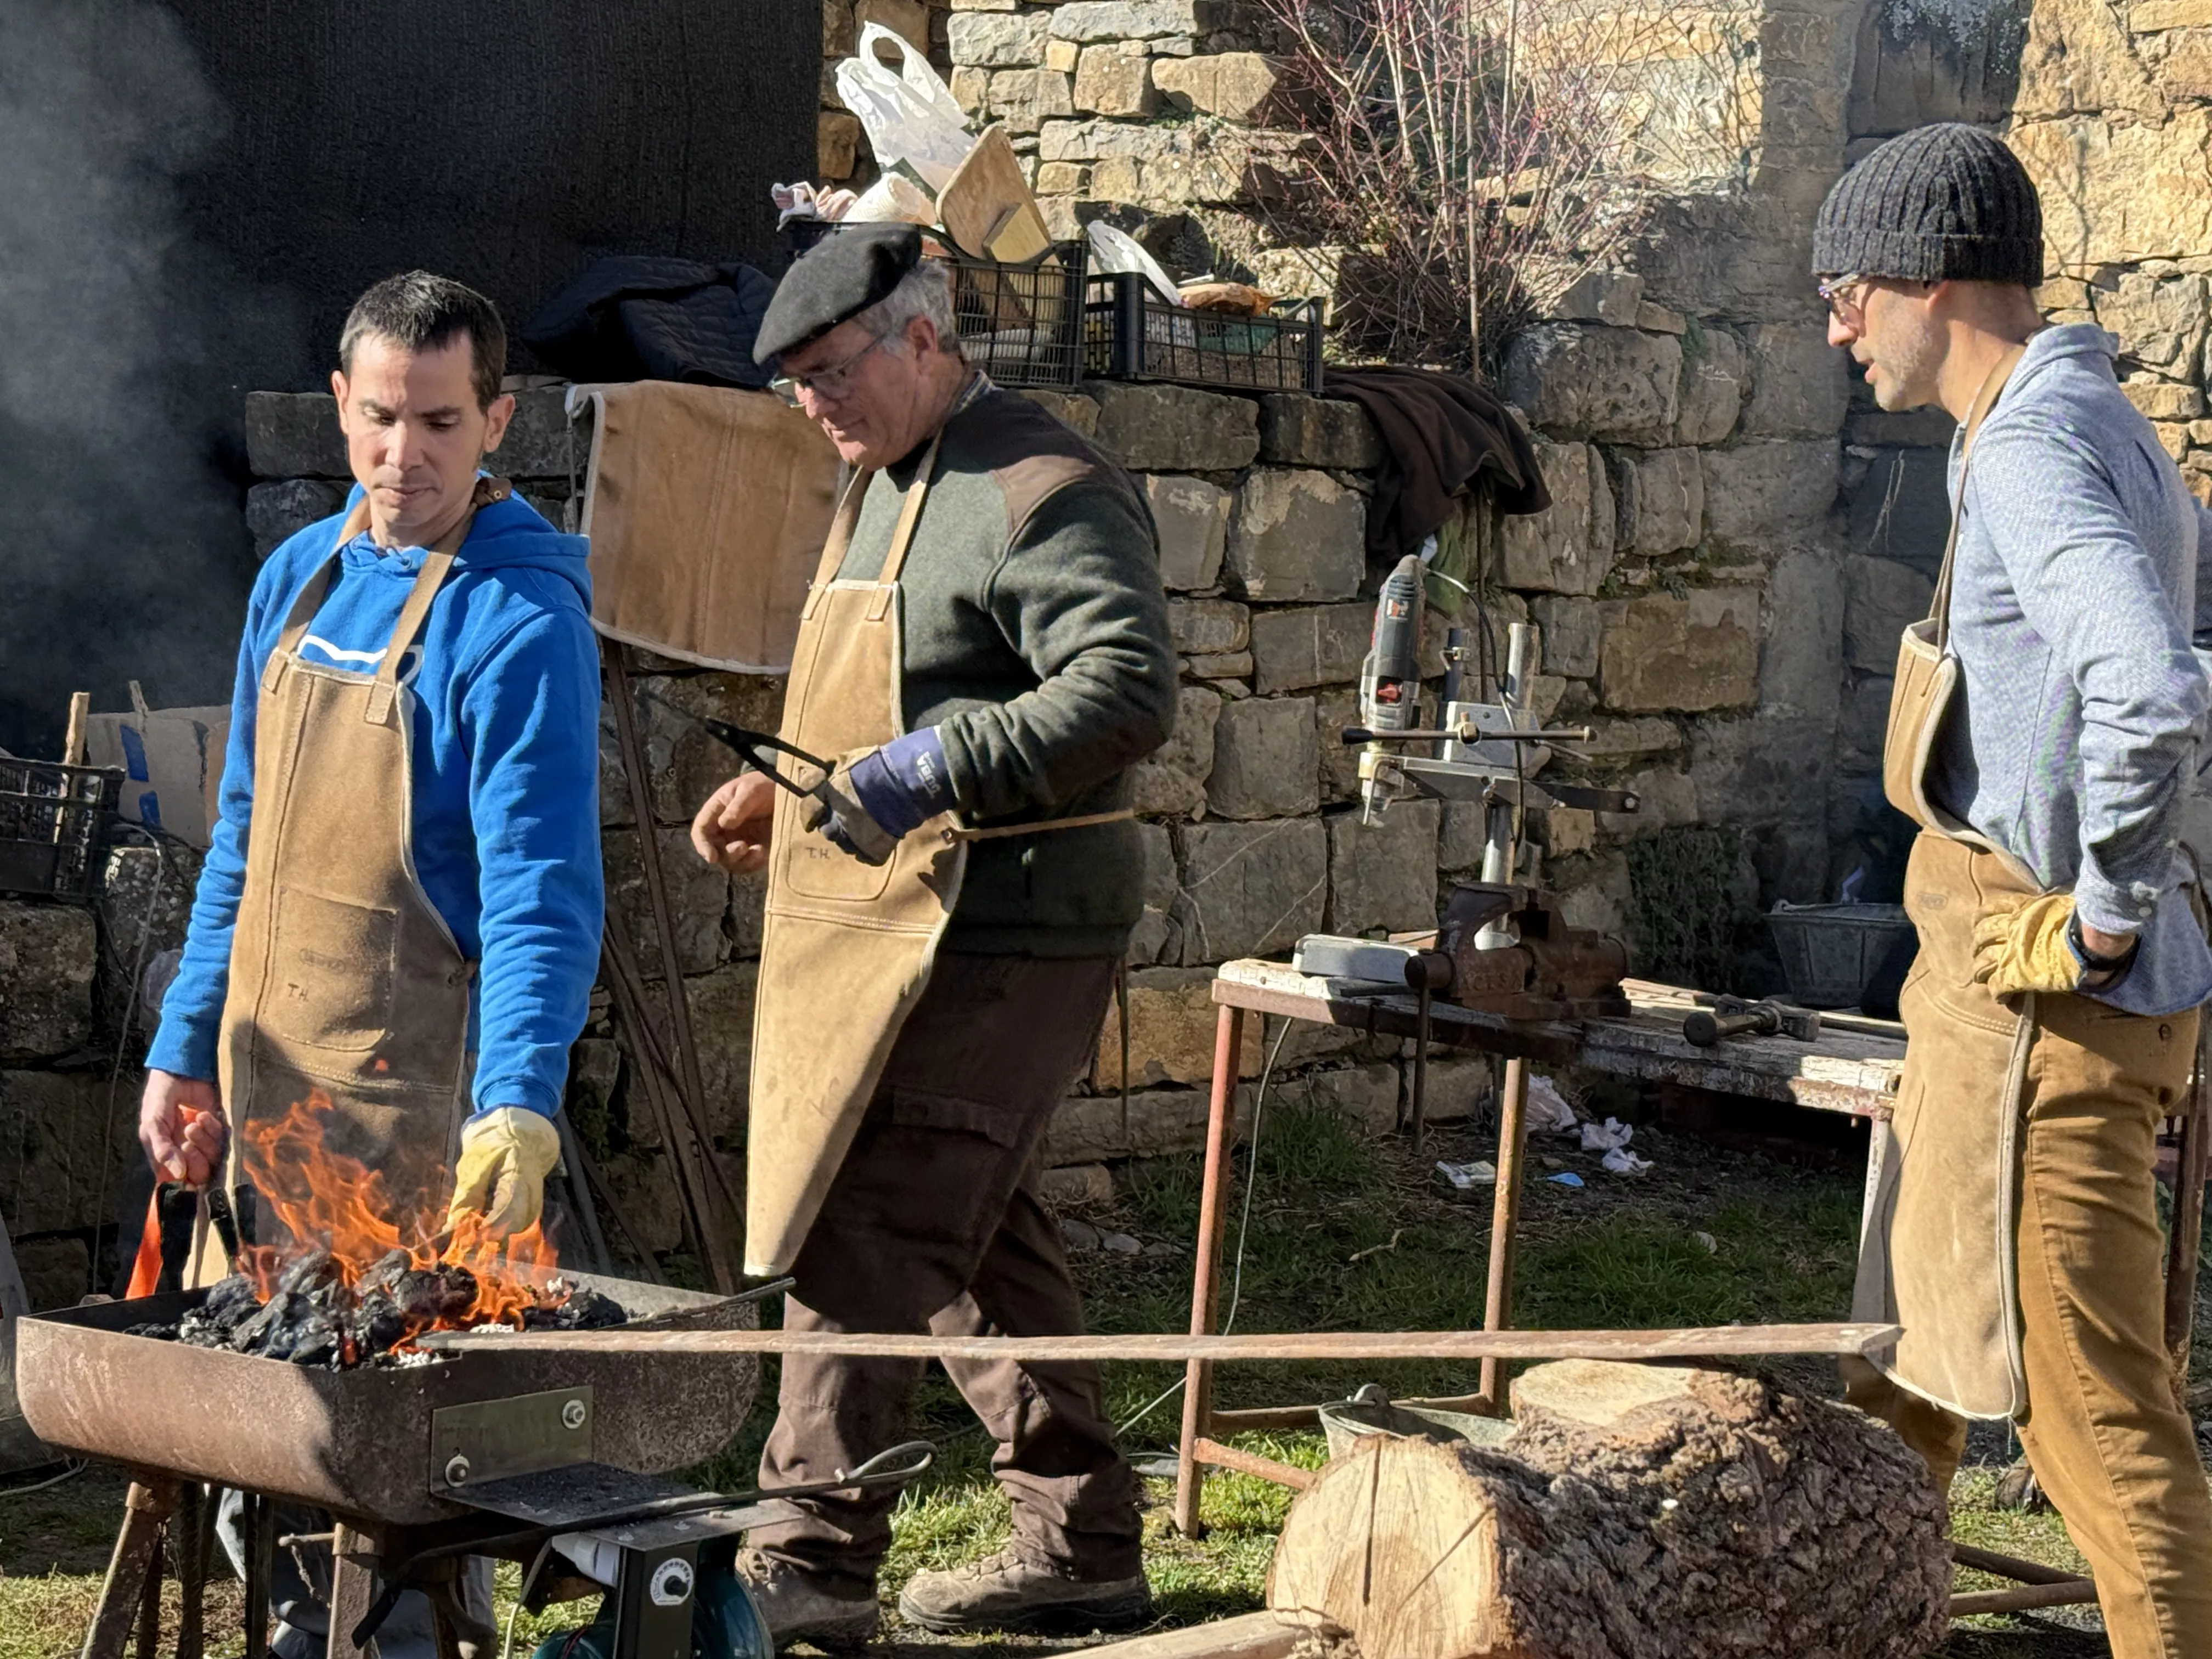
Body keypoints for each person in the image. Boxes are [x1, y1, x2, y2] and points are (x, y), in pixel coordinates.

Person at [690, 223, 1177, 1643]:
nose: (816, 406)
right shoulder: (888, 479)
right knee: (975, 1230)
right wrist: (791, 787)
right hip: (895, 921)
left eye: (833, 371)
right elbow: (899, 692)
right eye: (793, 386)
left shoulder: (1041, 485)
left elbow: (1124, 691)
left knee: (877, 1215)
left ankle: (811, 1563)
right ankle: (1083, 1547)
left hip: (1015, 926)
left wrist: (917, 774)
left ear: (924, 335)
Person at [138, 270, 603, 1656]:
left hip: (410, 1124)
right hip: (268, 1096)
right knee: (263, 1448)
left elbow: (541, 897)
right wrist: (183, 1041)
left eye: (443, 424)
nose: (408, 458)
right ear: (340, 408)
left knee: (402, 1486)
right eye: (384, 419)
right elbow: (242, 839)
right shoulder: (302, 575)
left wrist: (518, 1099)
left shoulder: (520, 631)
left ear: (497, 423)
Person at [1815, 123, 2212, 1659]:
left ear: (1935, 284)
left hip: (2048, 995)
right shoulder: (2090, 417)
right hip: (1995, 992)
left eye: (1851, 291)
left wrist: (2110, 902)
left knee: (2094, 1429)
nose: (1839, 326)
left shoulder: (2041, 442)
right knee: (1917, 1353)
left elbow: (2152, 685)